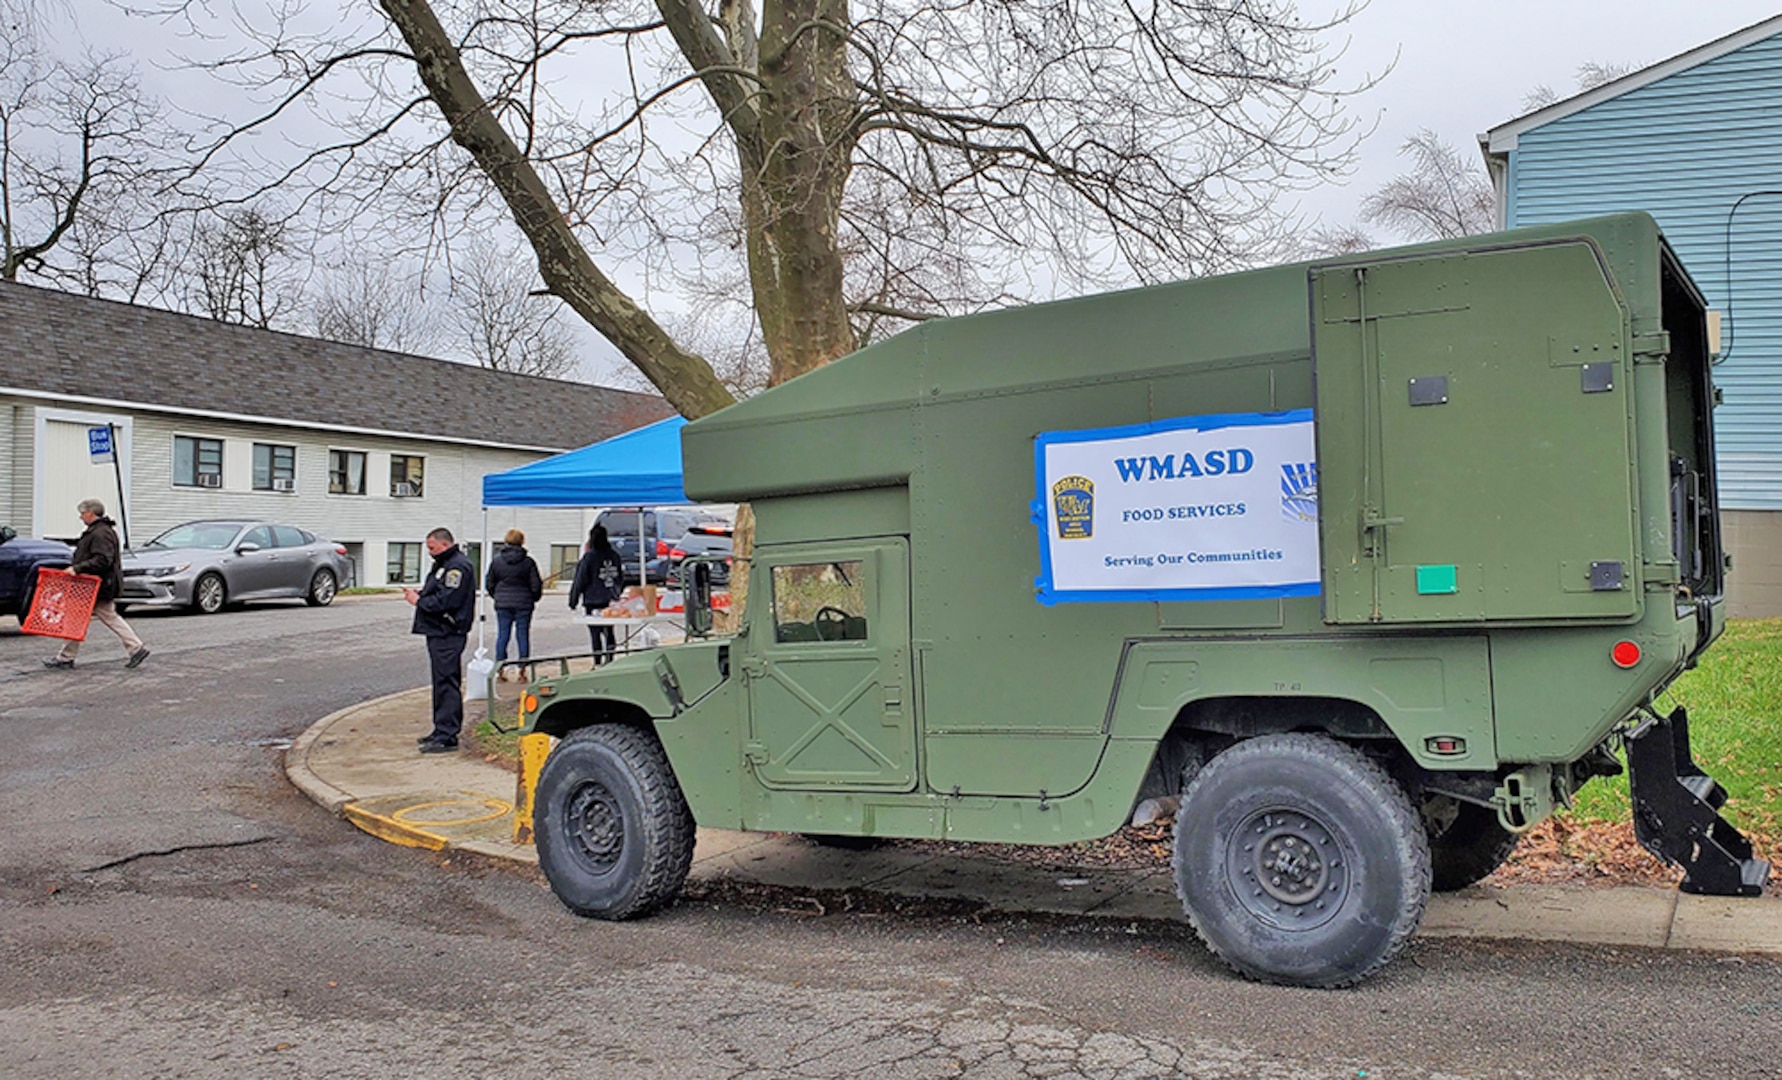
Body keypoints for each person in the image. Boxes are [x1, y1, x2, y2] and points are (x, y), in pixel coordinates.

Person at [44, 499, 149, 670]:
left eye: (82, 513)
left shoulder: (100, 534)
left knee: (79, 619)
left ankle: (66, 658)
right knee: (101, 617)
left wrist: (77, 568)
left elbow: (102, 560)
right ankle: (135, 647)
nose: (80, 517)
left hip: (96, 586)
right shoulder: (102, 531)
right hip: (98, 585)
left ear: (90, 513)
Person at [404, 527, 476, 754]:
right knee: (440, 682)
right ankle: (440, 729)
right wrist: (423, 593)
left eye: (432, 547)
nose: (429, 552)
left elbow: (448, 600)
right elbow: (439, 590)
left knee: (446, 683)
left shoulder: (457, 566)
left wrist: (419, 601)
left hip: (448, 630)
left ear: (444, 544)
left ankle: (448, 735)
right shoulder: (444, 564)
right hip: (438, 630)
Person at [484, 528, 543, 680]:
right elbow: (536, 585)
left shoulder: (497, 561)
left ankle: (500, 670)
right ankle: (522, 671)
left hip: (502, 603)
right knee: (522, 635)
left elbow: (489, 583)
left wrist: (496, 595)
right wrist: (533, 598)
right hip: (524, 603)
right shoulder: (528, 562)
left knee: (503, 634)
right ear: (522, 542)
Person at [568, 524, 624, 664]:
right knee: (609, 631)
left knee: (595, 633)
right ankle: (610, 660)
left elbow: (580, 580)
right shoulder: (614, 556)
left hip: (592, 600)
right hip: (610, 599)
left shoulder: (589, 557)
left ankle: (597, 662)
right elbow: (620, 577)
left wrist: (573, 600)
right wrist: (617, 592)